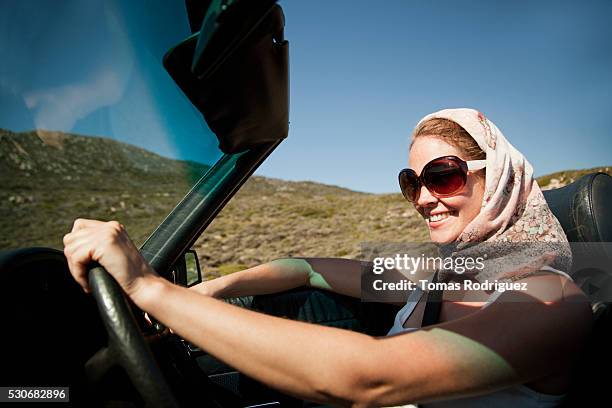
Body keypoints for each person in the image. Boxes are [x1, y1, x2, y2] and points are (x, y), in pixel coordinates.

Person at [63, 108, 592, 407]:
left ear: (498, 177)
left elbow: (368, 379)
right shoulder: (441, 275)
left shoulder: (551, 300)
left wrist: (153, 289)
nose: (425, 197)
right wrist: (210, 291)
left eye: (444, 175)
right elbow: (306, 268)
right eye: (412, 182)